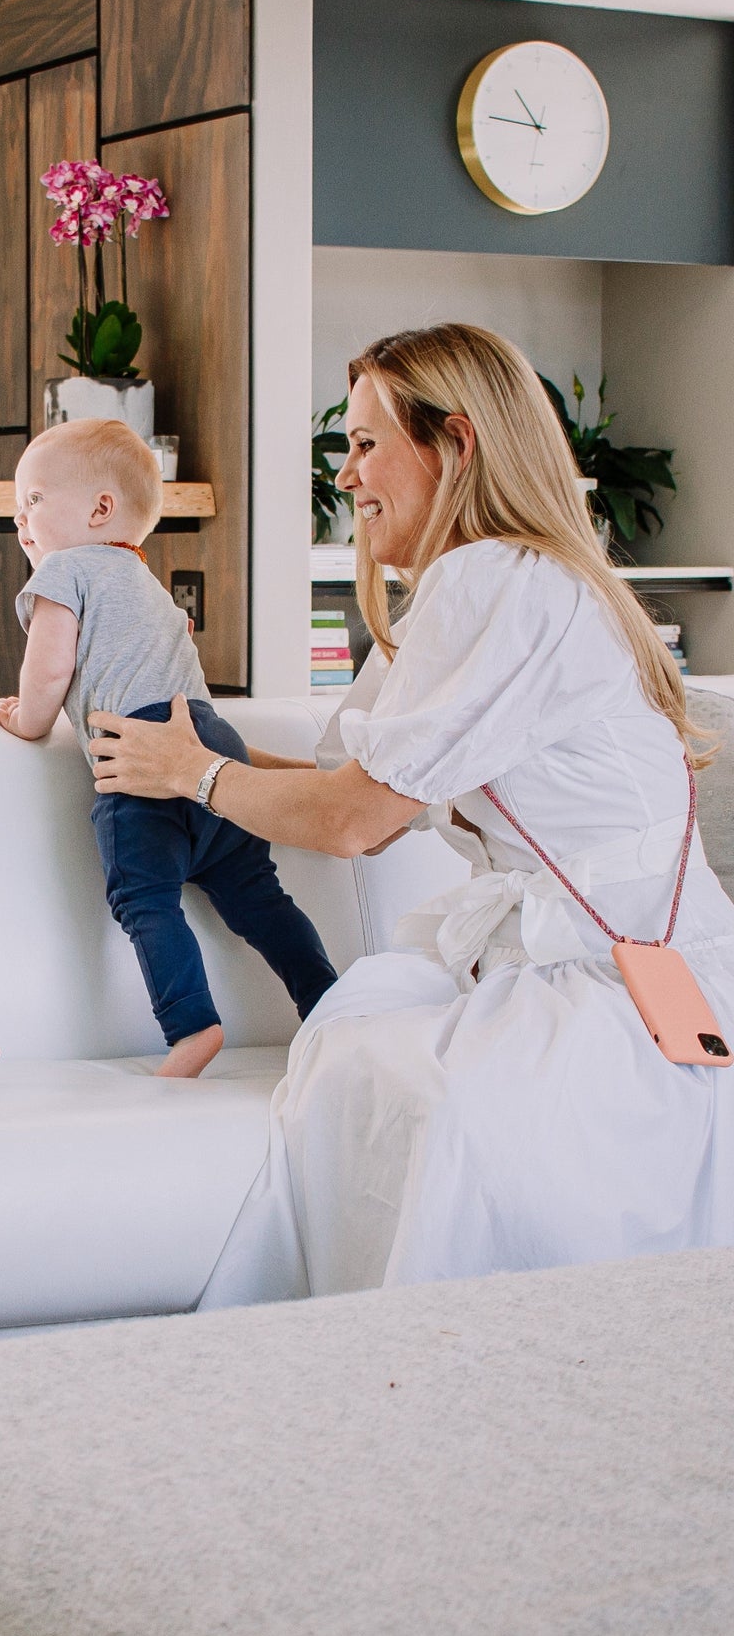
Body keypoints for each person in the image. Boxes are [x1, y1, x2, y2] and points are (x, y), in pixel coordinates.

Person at [86, 323, 734, 1300]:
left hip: (617, 982)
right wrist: (190, 750)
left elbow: (353, 820)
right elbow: (354, 792)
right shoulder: (475, 587)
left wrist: (195, 776)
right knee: (364, 1044)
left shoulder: (497, 584)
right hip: (636, 965)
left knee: (390, 1072)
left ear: (457, 445)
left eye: (365, 443)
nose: (346, 475)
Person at [0, 417, 337, 1078]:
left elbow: (49, 668)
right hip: (209, 743)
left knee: (145, 900)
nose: (19, 518)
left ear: (99, 509)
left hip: (142, 754)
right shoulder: (144, 581)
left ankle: (193, 1026)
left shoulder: (65, 570)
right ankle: (328, 1001)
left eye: (32, 499)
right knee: (258, 896)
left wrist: (25, 721)